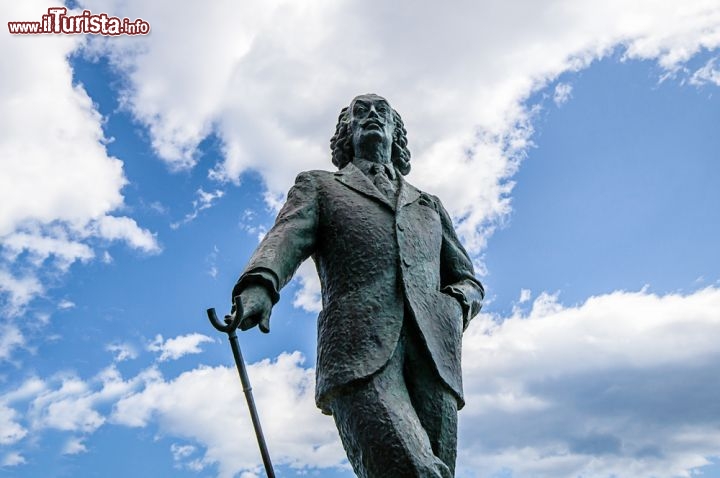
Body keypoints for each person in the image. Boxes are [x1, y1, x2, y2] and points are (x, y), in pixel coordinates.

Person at [232, 93, 484, 478]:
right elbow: (286, 236)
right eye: (359, 111)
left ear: (395, 132)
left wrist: (456, 304)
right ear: (346, 131)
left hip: (435, 355)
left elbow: (466, 277)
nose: (370, 115)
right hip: (358, 350)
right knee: (414, 470)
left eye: (381, 111)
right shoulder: (320, 186)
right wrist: (260, 284)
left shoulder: (428, 205)